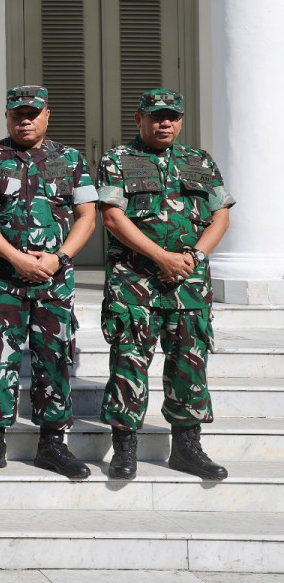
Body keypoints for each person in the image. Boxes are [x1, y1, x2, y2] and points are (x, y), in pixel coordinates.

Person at [97, 89, 234, 481]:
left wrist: (192, 259)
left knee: (189, 365)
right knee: (128, 363)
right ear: (139, 119)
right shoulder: (118, 159)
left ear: (180, 120)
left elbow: (220, 216)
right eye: (157, 116)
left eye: (172, 116)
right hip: (134, 282)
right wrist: (162, 258)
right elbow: (111, 217)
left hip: (188, 285)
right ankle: (125, 448)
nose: (165, 123)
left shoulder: (199, 160)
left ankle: (187, 449)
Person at [0, 85, 96, 480]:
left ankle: (52, 444)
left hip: (53, 279)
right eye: (18, 113)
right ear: (6, 116)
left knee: (54, 355)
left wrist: (59, 258)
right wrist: (15, 258)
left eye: (33, 113)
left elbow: (87, 215)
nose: (25, 119)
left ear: (47, 115)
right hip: (3, 276)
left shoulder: (70, 159)